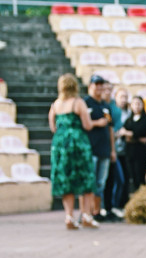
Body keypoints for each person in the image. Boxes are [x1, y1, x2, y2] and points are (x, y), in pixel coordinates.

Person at [48, 73, 96, 230]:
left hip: (60, 144)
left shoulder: (56, 104)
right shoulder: (78, 102)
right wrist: (99, 122)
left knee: (65, 179)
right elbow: (87, 125)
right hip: (77, 142)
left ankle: (69, 216)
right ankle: (86, 215)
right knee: (85, 176)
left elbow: (53, 127)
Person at [83, 74, 115, 224]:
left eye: (101, 84)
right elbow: (84, 124)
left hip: (104, 149)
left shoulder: (105, 105)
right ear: (90, 86)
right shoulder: (85, 103)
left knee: (100, 183)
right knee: (90, 182)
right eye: (96, 84)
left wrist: (112, 150)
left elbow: (110, 128)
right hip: (91, 148)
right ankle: (86, 212)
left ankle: (96, 212)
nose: (99, 87)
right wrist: (96, 123)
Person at [118, 95, 146, 196]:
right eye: (134, 104)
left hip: (140, 153)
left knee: (139, 176)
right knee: (130, 176)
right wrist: (133, 135)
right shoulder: (129, 119)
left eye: (139, 104)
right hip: (130, 152)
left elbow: (140, 132)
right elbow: (123, 133)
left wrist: (130, 134)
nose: (136, 106)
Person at [101, 82, 125, 221]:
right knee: (104, 180)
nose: (107, 91)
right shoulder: (100, 106)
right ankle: (103, 208)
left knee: (118, 179)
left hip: (113, 148)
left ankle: (111, 207)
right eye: (105, 89)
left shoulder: (114, 109)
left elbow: (114, 128)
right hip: (102, 148)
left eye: (110, 89)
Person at [111, 87, 131, 215]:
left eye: (125, 97)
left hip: (126, 150)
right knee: (118, 179)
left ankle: (121, 205)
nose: (123, 99)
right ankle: (113, 205)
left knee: (125, 179)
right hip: (115, 149)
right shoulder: (112, 111)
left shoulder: (129, 113)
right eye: (121, 96)